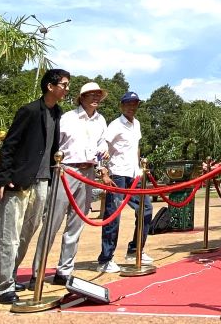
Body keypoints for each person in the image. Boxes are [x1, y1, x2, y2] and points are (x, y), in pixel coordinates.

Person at [0, 68, 68, 304]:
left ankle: (9, 276)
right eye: (64, 84)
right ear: (50, 86)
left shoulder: (57, 113)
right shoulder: (30, 110)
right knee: (10, 235)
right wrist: (2, 177)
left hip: (42, 181)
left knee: (26, 233)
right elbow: (9, 144)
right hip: (19, 180)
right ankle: (3, 288)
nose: (67, 89)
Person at [29, 81, 107, 288]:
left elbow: (102, 142)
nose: (96, 98)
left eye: (98, 95)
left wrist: (103, 151)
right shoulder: (68, 118)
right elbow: (54, 144)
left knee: (76, 224)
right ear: (82, 98)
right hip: (66, 170)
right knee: (52, 223)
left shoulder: (101, 120)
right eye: (91, 94)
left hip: (88, 172)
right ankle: (37, 272)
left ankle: (64, 270)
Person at [97, 91, 153, 272]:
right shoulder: (115, 125)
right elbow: (103, 145)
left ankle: (135, 249)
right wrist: (103, 170)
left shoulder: (137, 124)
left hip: (133, 174)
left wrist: (139, 168)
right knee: (113, 215)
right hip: (117, 174)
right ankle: (105, 259)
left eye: (135, 103)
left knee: (146, 209)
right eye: (128, 104)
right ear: (121, 106)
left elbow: (136, 147)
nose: (131, 107)